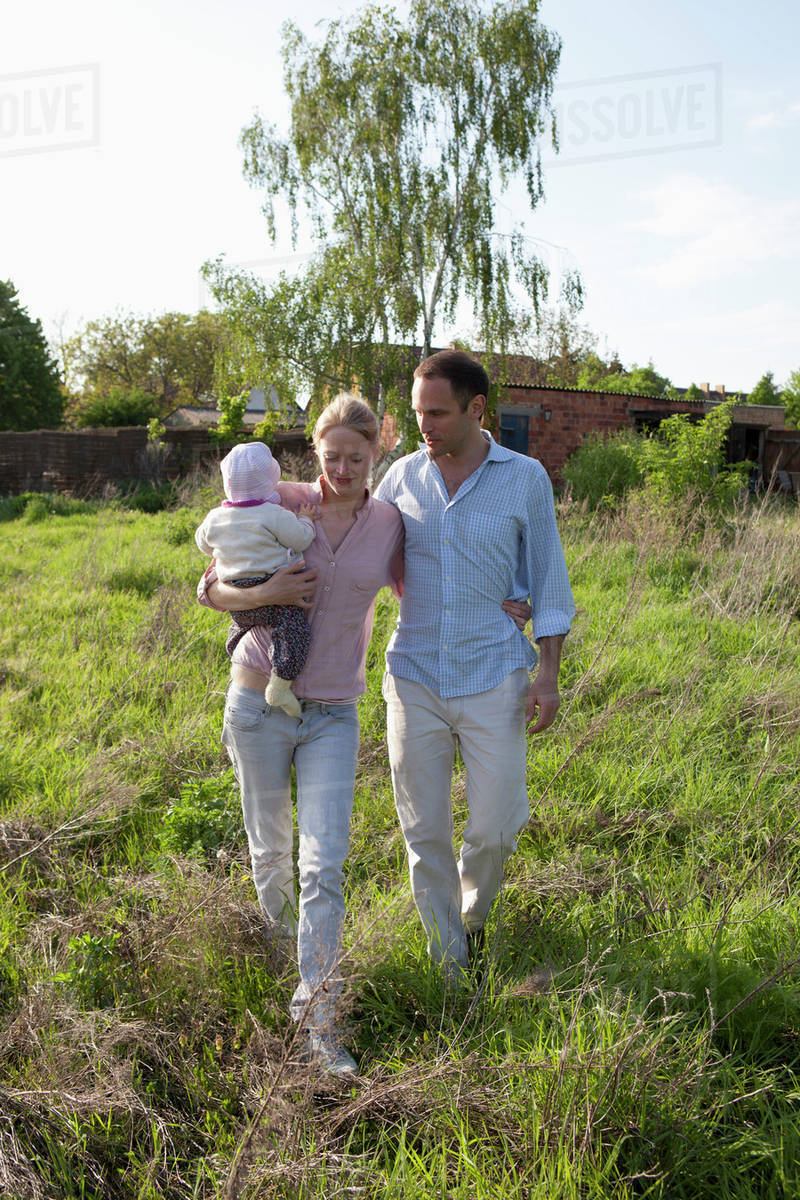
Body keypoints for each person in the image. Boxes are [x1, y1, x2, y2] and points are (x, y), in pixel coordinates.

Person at [197, 395, 404, 1078]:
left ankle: (318, 1016)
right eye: (331, 455)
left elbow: (425, 591)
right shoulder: (280, 503)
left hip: (333, 714)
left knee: (323, 864)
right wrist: (265, 592)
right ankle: (280, 965)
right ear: (314, 453)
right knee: (271, 853)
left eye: (356, 456)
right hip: (257, 702)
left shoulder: (388, 525)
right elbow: (211, 592)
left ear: (376, 454)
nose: (342, 468)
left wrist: (506, 604)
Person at [375, 349, 575, 979]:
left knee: (493, 827)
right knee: (423, 830)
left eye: (436, 413)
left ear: (477, 409)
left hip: (496, 674)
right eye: (417, 414)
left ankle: (472, 916)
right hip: (415, 676)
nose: (423, 427)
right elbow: (353, 546)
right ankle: (449, 966)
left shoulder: (525, 478)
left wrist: (549, 674)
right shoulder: (401, 478)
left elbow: (547, 576)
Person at [195, 441, 319, 716]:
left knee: (243, 624)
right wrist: (306, 519)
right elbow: (301, 537)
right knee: (294, 629)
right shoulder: (273, 514)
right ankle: (280, 683)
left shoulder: (215, 517)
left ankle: (235, 646)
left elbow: (203, 544)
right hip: (274, 588)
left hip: (237, 594)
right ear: (271, 480)